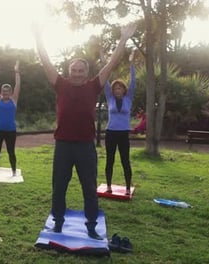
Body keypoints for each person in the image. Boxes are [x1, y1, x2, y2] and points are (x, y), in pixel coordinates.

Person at [33, 22, 136, 240]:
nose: (77, 74)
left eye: (80, 71)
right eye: (74, 71)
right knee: (59, 187)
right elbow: (46, 62)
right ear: (69, 72)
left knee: (89, 188)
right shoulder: (60, 84)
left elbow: (112, 63)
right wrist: (38, 36)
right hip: (63, 145)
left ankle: (91, 227)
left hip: (85, 146)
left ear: (86, 72)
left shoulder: (94, 85)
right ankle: (58, 224)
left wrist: (124, 39)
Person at [104, 49, 136, 195]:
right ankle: (109, 186)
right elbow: (104, 80)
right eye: (115, 88)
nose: (117, 90)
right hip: (110, 133)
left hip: (123, 134)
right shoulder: (109, 98)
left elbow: (133, 81)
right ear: (113, 90)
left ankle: (128, 188)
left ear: (124, 90)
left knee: (125, 160)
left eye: (120, 88)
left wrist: (131, 63)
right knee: (109, 160)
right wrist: (104, 62)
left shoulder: (128, 99)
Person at [0, 61, 21, 176]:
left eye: (7, 91)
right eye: (3, 91)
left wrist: (17, 71)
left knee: (11, 152)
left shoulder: (14, 100)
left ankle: (13, 171)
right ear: (1, 92)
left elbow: (18, 85)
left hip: (11, 130)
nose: (5, 93)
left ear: (11, 92)